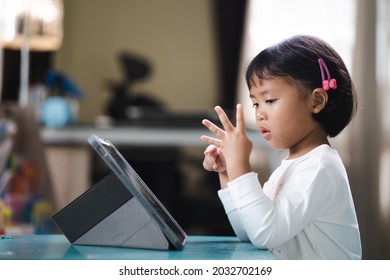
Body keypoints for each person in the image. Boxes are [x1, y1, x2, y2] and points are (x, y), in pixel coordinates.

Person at [200, 35, 362, 260]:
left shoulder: (319, 167)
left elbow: (265, 233)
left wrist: (241, 164)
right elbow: (249, 230)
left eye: (270, 100)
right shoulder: (291, 165)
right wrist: (228, 172)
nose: (259, 113)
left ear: (317, 101)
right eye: (255, 103)